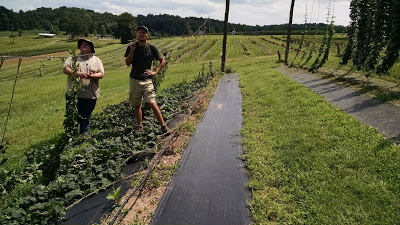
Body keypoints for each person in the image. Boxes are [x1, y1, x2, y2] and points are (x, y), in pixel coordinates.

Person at [125, 26, 168, 133]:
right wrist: (132, 51)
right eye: (139, 32)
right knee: (136, 104)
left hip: (147, 80)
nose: (141, 34)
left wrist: (155, 72)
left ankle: (163, 126)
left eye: (144, 33)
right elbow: (127, 63)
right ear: (137, 34)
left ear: (147, 35)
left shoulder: (152, 48)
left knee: (152, 102)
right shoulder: (131, 46)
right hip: (134, 80)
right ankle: (139, 126)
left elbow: (162, 61)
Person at [63, 39, 104, 135]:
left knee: (86, 115)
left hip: (90, 94)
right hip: (74, 93)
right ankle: (71, 134)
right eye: (82, 44)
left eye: (86, 44)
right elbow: (65, 69)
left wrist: (93, 76)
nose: (83, 45)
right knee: (73, 115)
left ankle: (84, 132)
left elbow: (101, 74)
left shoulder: (96, 60)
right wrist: (78, 74)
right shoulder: (72, 58)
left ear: (91, 48)